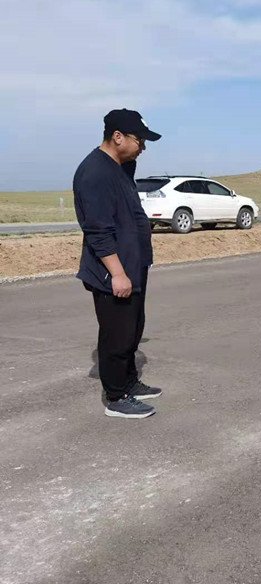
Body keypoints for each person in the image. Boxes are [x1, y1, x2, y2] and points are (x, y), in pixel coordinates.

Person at [73, 109, 163, 418]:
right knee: (116, 334)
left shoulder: (118, 168)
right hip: (113, 270)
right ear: (117, 136)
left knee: (133, 329)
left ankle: (129, 381)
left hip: (132, 265)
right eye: (140, 141)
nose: (143, 148)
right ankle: (116, 396)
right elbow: (97, 230)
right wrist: (118, 273)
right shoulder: (95, 173)